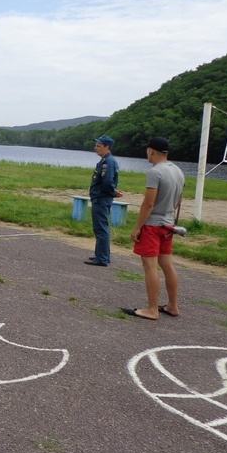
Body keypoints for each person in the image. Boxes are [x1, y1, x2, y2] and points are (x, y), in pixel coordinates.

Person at [122, 137, 185, 321]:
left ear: (151, 151)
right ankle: (173, 305)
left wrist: (137, 228)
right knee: (167, 265)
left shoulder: (155, 172)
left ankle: (152, 309)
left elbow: (148, 204)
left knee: (150, 266)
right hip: (168, 225)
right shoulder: (178, 171)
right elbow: (178, 201)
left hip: (152, 226)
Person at [85, 135, 122, 266]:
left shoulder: (108, 162)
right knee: (99, 227)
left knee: (101, 228)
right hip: (100, 198)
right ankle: (101, 254)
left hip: (101, 199)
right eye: (96, 146)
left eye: (99, 146)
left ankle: (102, 258)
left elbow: (107, 182)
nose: (96, 148)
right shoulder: (105, 160)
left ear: (107, 147)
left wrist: (112, 192)